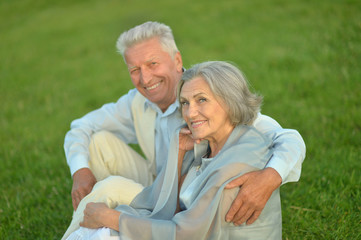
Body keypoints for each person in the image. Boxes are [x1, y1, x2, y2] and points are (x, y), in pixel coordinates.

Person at [62, 21, 305, 238]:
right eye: (135, 70)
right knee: (97, 142)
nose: (145, 79)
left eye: (152, 63)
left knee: (109, 188)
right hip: (161, 184)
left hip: (190, 198)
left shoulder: (215, 98)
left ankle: (98, 225)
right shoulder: (135, 102)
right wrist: (80, 171)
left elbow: (289, 139)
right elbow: (80, 127)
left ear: (177, 60)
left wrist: (270, 177)